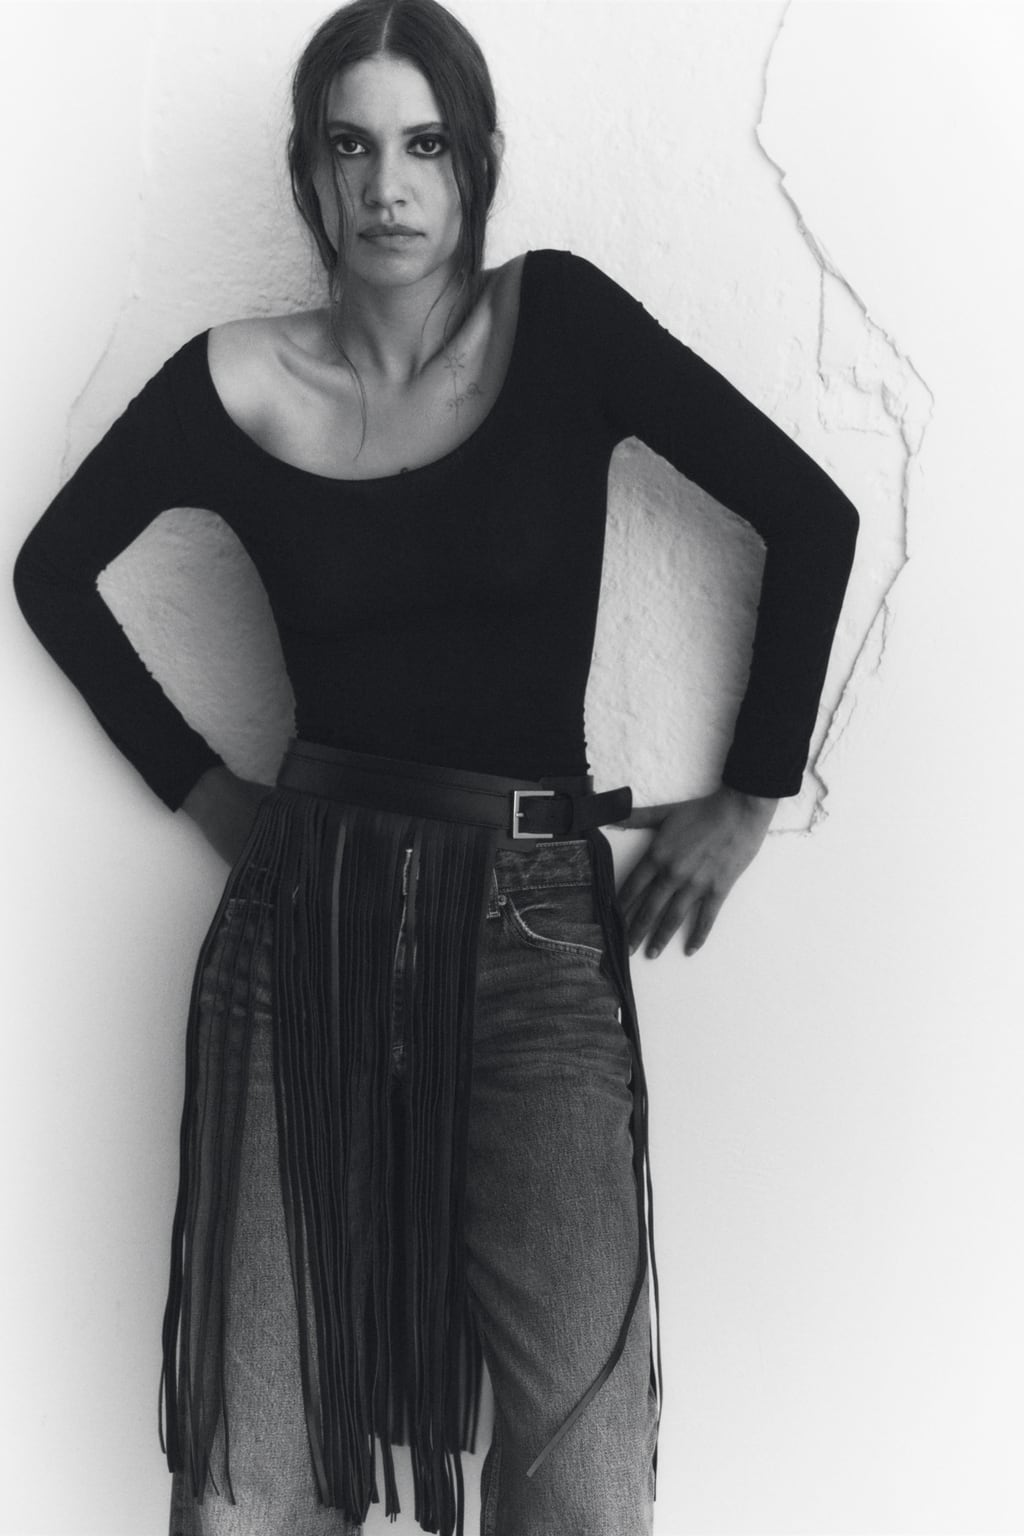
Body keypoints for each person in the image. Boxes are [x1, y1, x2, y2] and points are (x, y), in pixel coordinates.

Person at [12, 2, 860, 1534]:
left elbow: (812, 518)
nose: (387, 186)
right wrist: (214, 800)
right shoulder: (236, 381)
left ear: (474, 162)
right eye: (351, 146)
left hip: (530, 940)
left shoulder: (562, 324)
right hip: (302, 938)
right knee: (254, 1491)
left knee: (585, 1489)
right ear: (309, 172)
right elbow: (51, 574)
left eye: (422, 145)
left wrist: (750, 798)